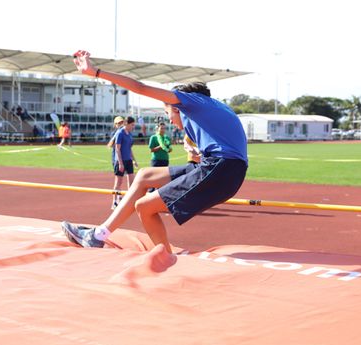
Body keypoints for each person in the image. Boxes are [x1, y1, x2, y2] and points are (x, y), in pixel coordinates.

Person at [62, 50, 247, 254]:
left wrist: (95, 72)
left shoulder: (190, 102)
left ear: (177, 107)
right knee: (144, 175)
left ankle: (165, 258)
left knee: (145, 207)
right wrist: (198, 154)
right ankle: (98, 235)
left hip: (223, 170)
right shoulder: (212, 108)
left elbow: (139, 87)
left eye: (167, 113)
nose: (168, 120)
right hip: (221, 167)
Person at [111, 116, 138, 210]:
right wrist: (120, 163)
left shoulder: (129, 134)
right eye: (132, 125)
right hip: (120, 161)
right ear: (127, 124)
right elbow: (117, 149)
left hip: (128, 160)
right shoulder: (120, 133)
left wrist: (134, 160)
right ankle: (114, 202)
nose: (133, 127)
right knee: (118, 182)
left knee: (131, 181)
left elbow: (130, 148)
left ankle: (129, 201)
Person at [107, 116, 125, 208]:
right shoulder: (116, 133)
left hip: (122, 159)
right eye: (118, 123)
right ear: (115, 125)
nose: (121, 124)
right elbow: (111, 145)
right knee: (117, 182)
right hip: (117, 160)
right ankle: (114, 201)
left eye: (122, 122)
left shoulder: (124, 132)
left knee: (120, 182)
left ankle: (119, 197)